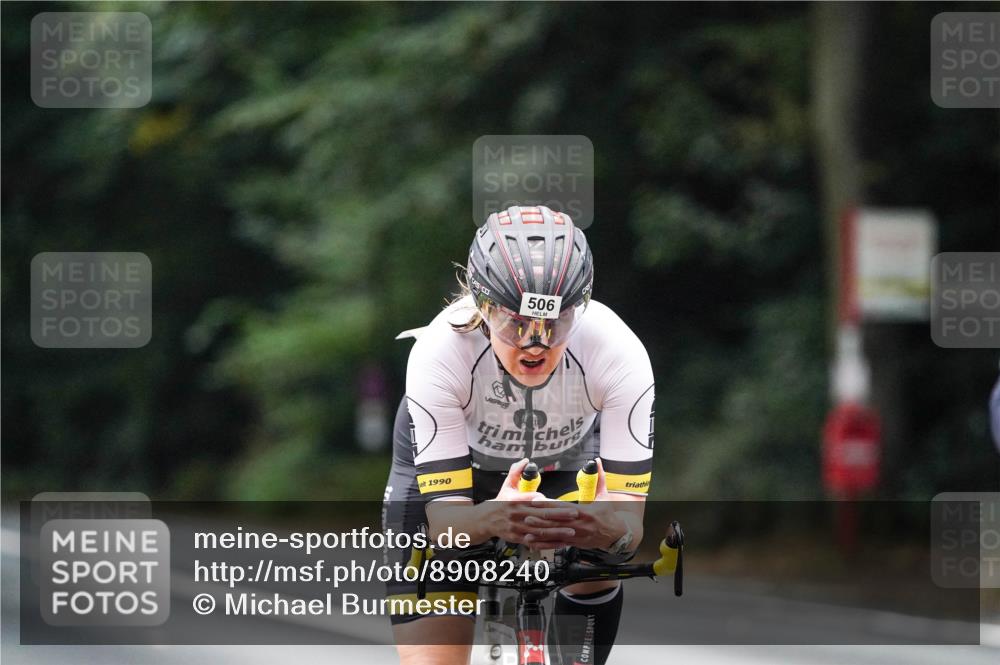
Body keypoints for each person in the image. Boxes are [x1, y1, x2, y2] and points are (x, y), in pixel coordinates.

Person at [383, 205, 655, 665]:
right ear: (482, 308)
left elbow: (629, 531)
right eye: (515, 324)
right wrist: (490, 519)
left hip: (566, 464)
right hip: (457, 484)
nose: (537, 343)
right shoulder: (440, 352)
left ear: (579, 309)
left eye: (556, 323)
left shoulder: (617, 352)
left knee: (600, 561)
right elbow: (447, 526)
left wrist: (604, 531)